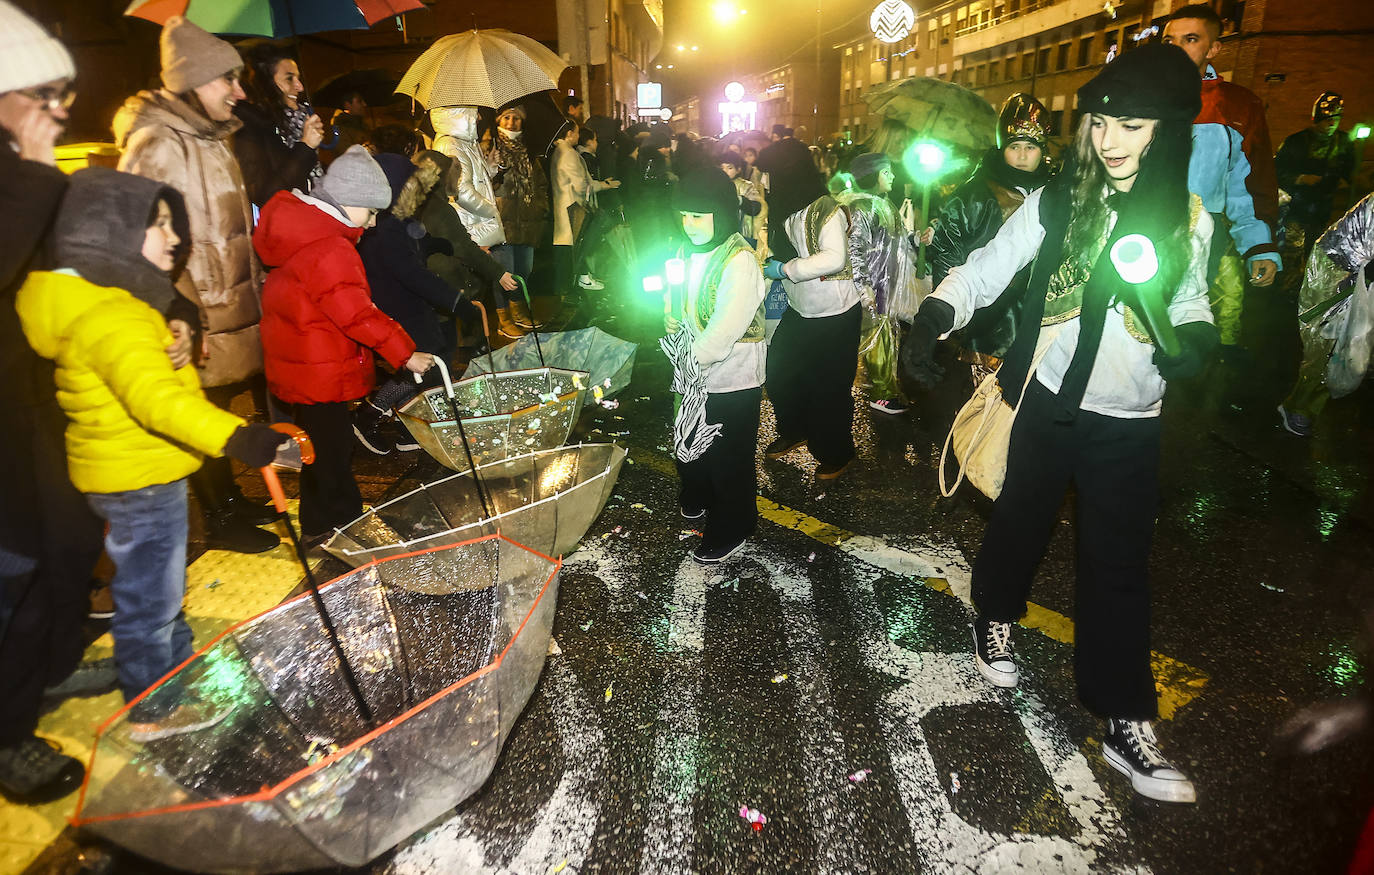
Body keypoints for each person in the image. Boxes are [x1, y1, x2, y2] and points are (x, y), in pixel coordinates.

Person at [900, 44, 1214, 804]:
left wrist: (1197, 340)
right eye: (1101, 121)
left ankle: (1124, 717)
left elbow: (1193, 300)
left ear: (1165, 132)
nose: (1108, 140)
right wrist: (937, 312)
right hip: (1046, 399)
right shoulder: (1059, 201)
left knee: (1118, 565)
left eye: (1131, 125)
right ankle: (993, 614)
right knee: (1020, 522)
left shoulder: (1187, 219)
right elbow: (986, 267)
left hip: (1132, 419)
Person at [16, 168, 289, 742]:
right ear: (106, 234)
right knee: (151, 597)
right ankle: (154, 708)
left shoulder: (103, 302)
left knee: (156, 587)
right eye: (155, 225)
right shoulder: (116, 317)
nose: (173, 237)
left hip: (126, 470)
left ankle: (175, 671)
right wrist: (239, 436)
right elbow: (155, 401)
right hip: (142, 476)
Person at [114, 16, 280, 553]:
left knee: (220, 406)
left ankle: (228, 497)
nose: (238, 92)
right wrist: (179, 311)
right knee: (197, 410)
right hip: (195, 310)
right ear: (191, 83)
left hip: (226, 302)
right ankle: (218, 515)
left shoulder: (209, 136)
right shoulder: (158, 142)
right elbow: (145, 239)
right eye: (225, 81)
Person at [0, 0, 108, 804]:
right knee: (14, 569)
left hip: (38, 400)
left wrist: (162, 314)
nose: (61, 112)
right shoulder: (22, 169)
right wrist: (37, 168)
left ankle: (48, 668)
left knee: (65, 547)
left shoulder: (26, 165)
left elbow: (76, 262)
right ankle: (8, 734)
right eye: (46, 95)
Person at [254, 146, 431, 542]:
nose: (370, 225)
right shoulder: (331, 248)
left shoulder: (304, 234)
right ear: (350, 202)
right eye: (370, 213)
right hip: (320, 369)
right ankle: (338, 523)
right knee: (332, 452)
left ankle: (323, 519)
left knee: (319, 449)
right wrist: (405, 353)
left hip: (302, 364)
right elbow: (357, 314)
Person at [351, 151, 516, 454]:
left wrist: (431, 244)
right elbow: (410, 272)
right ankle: (371, 415)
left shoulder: (397, 213)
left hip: (409, 301)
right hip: (399, 302)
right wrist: (455, 301)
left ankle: (407, 428)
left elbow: (412, 245)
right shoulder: (386, 223)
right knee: (426, 363)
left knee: (430, 361)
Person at [662, 167, 768, 563]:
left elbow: (724, 332)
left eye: (698, 216)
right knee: (691, 440)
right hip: (693, 369)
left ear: (720, 212)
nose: (689, 225)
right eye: (684, 216)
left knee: (729, 456)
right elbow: (679, 300)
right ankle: (699, 494)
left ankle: (734, 523)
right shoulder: (685, 251)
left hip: (731, 377)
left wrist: (686, 360)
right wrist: (670, 316)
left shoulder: (739, 261)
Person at [1163, 4, 1280, 360]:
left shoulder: (1237, 106)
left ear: (1214, 48)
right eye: (1169, 40)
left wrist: (1258, 245)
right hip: (1131, 224)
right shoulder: (1133, 96)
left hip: (1201, 236)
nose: (1176, 48)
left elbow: (1247, 183)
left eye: (1191, 39)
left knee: (1181, 327)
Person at [929, 93, 1052, 388]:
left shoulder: (1057, 193)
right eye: (1014, 146)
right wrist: (950, 315)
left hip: (1043, 329)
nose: (1022, 156)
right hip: (988, 330)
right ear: (1002, 147)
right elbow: (948, 256)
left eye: (1030, 147)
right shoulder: (972, 196)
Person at [761, 184, 862, 481]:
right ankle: (795, 430)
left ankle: (836, 453)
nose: (767, 181)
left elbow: (834, 258)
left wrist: (784, 270)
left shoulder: (825, 208)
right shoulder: (784, 209)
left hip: (836, 312)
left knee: (829, 388)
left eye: (772, 174)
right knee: (779, 373)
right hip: (799, 309)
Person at [1278, 193, 1374, 436]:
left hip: (1358, 269)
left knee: (1348, 342)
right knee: (1324, 342)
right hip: (1335, 265)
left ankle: (1311, 403)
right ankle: (1298, 407)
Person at [842, 151, 920, 414]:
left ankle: (886, 388)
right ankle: (882, 394)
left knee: (884, 339)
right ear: (872, 175)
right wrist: (863, 287)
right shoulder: (861, 207)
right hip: (874, 288)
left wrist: (919, 239)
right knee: (877, 342)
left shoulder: (882, 204)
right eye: (886, 171)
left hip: (886, 285)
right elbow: (855, 249)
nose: (892, 176)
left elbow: (900, 241)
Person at [232, 41, 325, 210]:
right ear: (264, 83)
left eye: (298, 78)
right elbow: (266, 195)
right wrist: (305, 147)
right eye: (289, 78)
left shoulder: (294, 121)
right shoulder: (248, 126)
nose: (300, 86)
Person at [1276, 92, 1358, 279]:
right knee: (1292, 254)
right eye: (1327, 119)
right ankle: (1286, 291)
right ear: (1318, 119)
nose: (1331, 123)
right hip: (1296, 209)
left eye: (1336, 119)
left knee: (1319, 255)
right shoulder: (1295, 142)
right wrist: (1300, 178)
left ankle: (1311, 291)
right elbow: (1276, 170)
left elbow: (1351, 172)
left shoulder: (1343, 143)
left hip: (1324, 211)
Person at [484, 104, 549, 335]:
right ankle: (504, 321)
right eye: (507, 117)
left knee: (524, 270)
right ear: (499, 121)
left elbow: (540, 183)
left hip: (528, 221)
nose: (511, 122)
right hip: (502, 221)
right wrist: (495, 168)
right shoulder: (489, 147)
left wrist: (541, 207)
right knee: (504, 273)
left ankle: (519, 312)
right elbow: (483, 185)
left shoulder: (528, 151)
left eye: (517, 118)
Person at [551, 121, 619, 296]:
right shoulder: (569, 154)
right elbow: (581, 186)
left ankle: (571, 284)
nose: (578, 136)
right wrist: (603, 186)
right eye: (575, 132)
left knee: (570, 248)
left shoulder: (559, 152)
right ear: (569, 134)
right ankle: (571, 287)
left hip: (565, 207)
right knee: (578, 246)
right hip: (573, 207)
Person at [719, 151, 765, 249]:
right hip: (720, 232)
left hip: (741, 233)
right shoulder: (715, 185)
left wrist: (740, 200)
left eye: (729, 168)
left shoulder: (746, 186)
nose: (725, 171)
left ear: (738, 169)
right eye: (722, 168)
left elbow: (756, 207)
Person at [328, 90, 371, 160]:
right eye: (359, 101)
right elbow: (349, 155)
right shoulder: (340, 129)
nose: (364, 104)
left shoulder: (364, 125)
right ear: (348, 105)